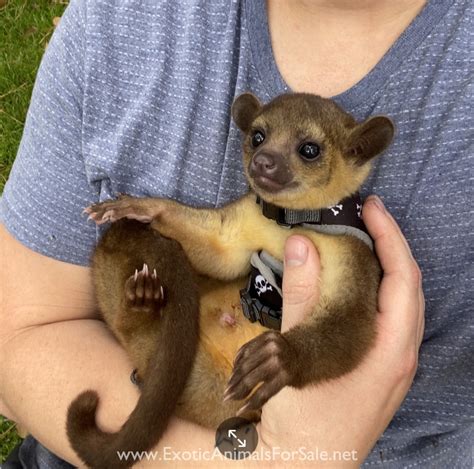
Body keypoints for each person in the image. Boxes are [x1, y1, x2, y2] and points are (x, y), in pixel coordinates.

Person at [0, 0, 471, 467]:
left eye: (307, 151)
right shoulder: (118, 17)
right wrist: (161, 213)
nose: (265, 160)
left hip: (230, 392)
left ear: (358, 153)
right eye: (260, 139)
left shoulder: (349, 245)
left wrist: (294, 357)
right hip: (181, 381)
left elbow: (344, 331)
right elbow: (219, 240)